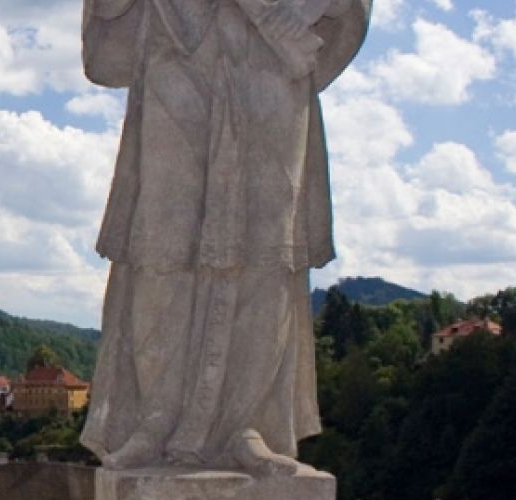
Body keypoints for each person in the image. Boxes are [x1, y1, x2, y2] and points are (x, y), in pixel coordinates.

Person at [76, 0, 372, 477]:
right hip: (176, 38)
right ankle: (156, 416)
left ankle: (248, 424)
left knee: (266, 252)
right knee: (162, 243)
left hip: (272, 51)